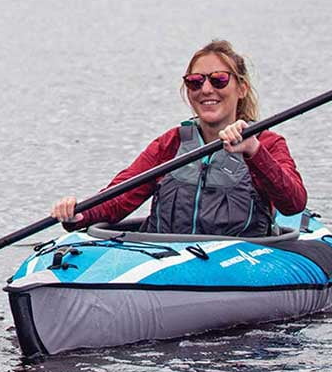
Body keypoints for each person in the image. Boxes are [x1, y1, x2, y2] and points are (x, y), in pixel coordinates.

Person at [49, 39, 306, 237]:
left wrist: (254, 152)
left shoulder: (267, 143)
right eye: (195, 81)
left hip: (239, 260)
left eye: (219, 80)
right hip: (169, 256)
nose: (206, 89)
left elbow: (293, 203)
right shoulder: (171, 143)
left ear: (241, 88)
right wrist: (79, 214)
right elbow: (119, 198)